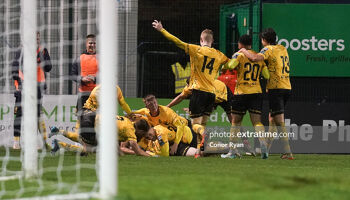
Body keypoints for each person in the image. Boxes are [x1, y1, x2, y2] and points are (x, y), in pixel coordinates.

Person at [152, 20, 234, 157]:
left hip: (199, 92)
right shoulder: (219, 55)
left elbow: (178, 42)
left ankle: (203, 138)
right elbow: (231, 64)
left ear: (201, 39)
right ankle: (199, 152)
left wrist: (162, 30)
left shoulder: (196, 50)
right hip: (211, 95)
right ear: (212, 40)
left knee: (196, 125)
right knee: (204, 124)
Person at [239, 28, 294, 160]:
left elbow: (254, 58)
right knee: (272, 119)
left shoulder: (268, 49)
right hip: (287, 86)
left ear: (264, 40)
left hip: (276, 88)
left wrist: (243, 51)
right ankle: (267, 150)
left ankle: (288, 152)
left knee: (279, 121)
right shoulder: (282, 48)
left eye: (262, 40)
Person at [218, 34, 270, 159]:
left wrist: (224, 65)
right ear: (251, 44)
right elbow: (267, 75)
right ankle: (263, 146)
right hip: (256, 92)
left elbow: (230, 66)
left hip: (241, 93)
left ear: (240, 44)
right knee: (257, 122)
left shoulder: (240, 55)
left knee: (235, 122)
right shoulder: (259, 58)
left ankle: (232, 151)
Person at [12, 31, 52, 149]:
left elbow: (49, 67)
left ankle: (37, 142)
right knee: (19, 114)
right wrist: (19, 83)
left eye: (38, 38)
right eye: (34, 38)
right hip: (23, 86)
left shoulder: (43, 50)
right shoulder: (21, 50)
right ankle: (16, 142)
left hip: (38, 86)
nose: (36, 40)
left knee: (37, 114)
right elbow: (14, 69)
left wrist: (41, 60)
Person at [70, 34, 98, 117]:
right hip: (83, 95)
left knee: (96, 120)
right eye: (90, 43)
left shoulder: (101, 58)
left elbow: (106, 76)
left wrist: (95, 78)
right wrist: (82, 79)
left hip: (97, 95)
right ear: (86, 44)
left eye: (94, 43)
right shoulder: (80, 58)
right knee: (82, 119)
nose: (92, 45)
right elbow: (72, 75)